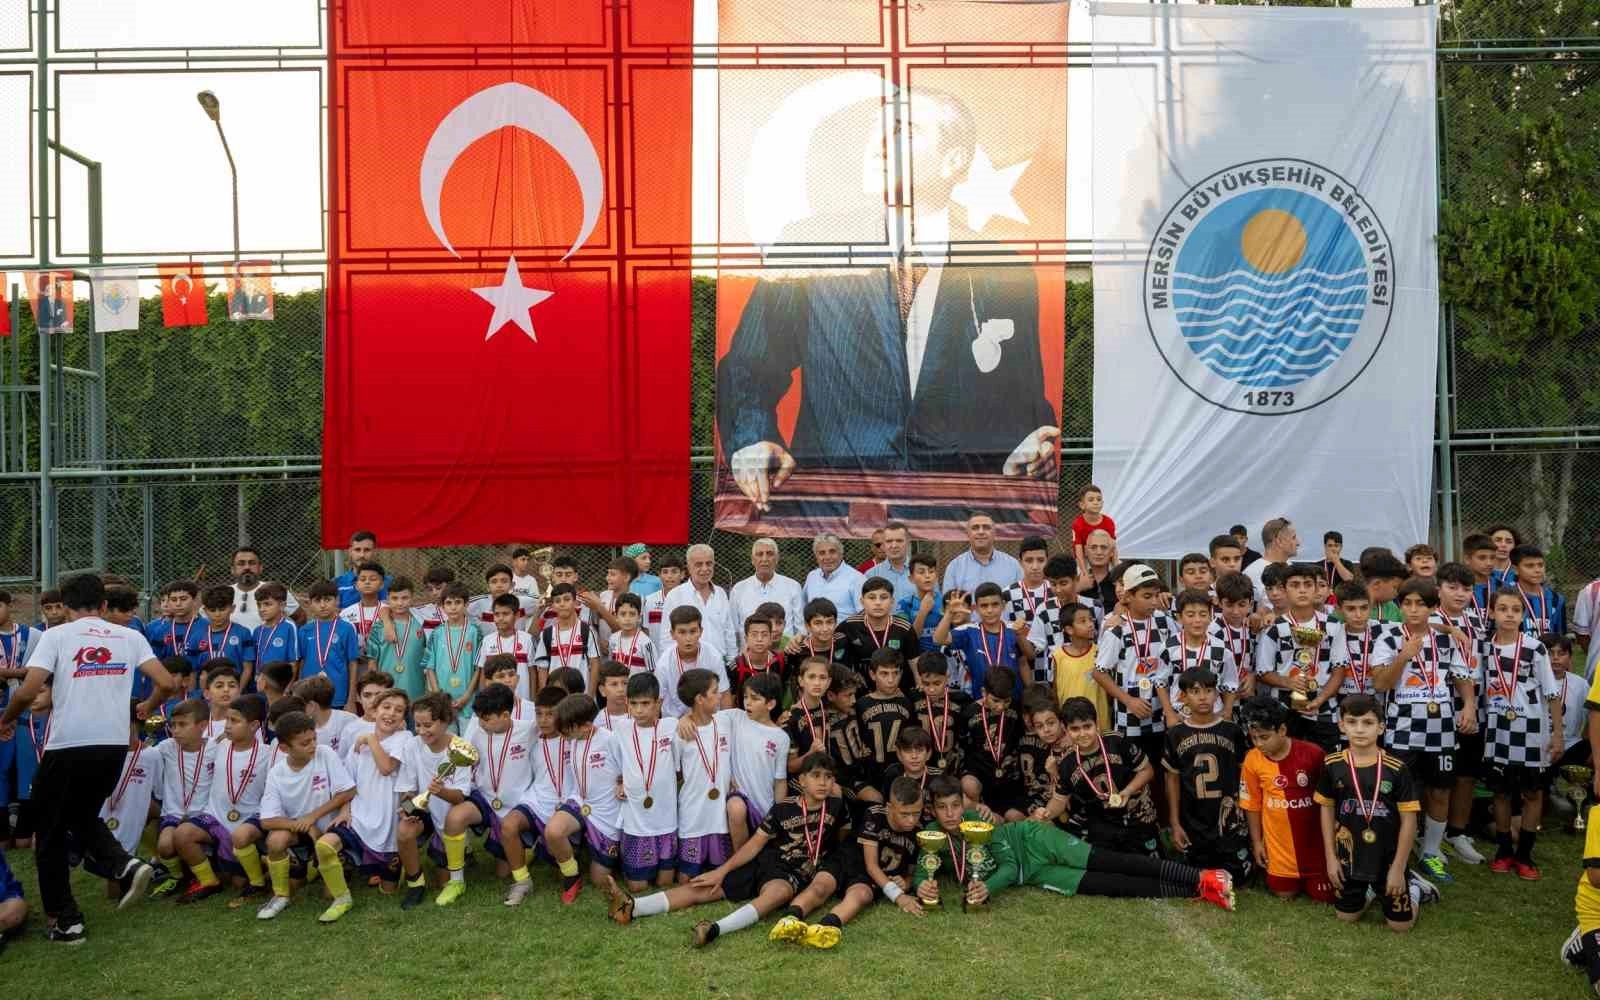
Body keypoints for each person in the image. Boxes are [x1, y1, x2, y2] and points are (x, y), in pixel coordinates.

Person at [717, 88, 1058, 519]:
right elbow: (748, 366)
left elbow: (1021, 401)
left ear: (953, 161)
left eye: (903, 131)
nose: (877, 144)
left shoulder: (1003, 269)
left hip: (958, 514)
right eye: (874, 130)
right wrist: (750, 439)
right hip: (834, 511)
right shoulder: (811, 244)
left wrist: (1025, 449)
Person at [0, 573, 174, 943]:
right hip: (113, 746)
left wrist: (7, 719)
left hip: (69, 744)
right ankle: (123, 864)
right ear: (105, 605)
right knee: (79, 816)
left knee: (49, 830)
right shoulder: (129, 636)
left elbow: (28, 690)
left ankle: (66, 921)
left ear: (64, 606)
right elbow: (168, 683)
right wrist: (147, 706)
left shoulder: (57, 635)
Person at [603, 751, 847, 950]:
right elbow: (755, 844)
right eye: (816, 776)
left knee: (778, 893)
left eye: (828, 777)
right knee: (709, 886)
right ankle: (633, 906)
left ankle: (714, 929)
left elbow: (841, 841)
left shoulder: (837, 807)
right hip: (770, 863)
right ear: (802, 780)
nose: (823, 782)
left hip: (794, 875)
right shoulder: (783, 808)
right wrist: (722, 871)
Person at [913, 775, 1234, 909]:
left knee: (1109, 862)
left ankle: (1202, 875)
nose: (950, 814)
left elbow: (1008, 866)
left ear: (964, 804)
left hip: (1034, 840)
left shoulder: (977, 822)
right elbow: (921, 871)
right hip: (1033, 873)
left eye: (955, 805)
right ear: (932, 810)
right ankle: (1198, 891)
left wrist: (987, 888)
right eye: (942, 808)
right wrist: (921, 887)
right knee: (1108, 885)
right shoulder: (932, 835)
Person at [1372, 578, 1475, 885]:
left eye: (1421, 604)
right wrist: (1403, 656)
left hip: (1441, 728)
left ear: (1432, 608)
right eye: (1407, 603)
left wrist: (1469, 705)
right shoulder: (1389, 636)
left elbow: (1461, 677)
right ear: (1400, 606)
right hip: (1401, 729)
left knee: (1441, 790)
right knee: (1398, 792)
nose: (1414, 610)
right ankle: (1395, 851)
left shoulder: (1446, 639)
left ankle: (1430, 851)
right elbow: (1380, 684)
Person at [772, 774, 925, 949]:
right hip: (848, 859)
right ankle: (790, 919)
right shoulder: (875, 815)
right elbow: (871, 865)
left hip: (868, 879)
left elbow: (911, 872)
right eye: (905, 814)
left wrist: (905, 883)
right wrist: (898, 896)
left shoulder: (919, 832)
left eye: (916, 813)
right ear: (889, 807)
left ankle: (825, 927)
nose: (911, 820)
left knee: (861, 896)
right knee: (820, 886)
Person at [1316, 694, 1424, 933]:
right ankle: (1370, 890)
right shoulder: (1332, 764)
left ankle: (1415, 888)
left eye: (1367, 722)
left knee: (1400, 926)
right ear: (1341, 725)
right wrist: (1331, 858)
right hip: (1349, 856)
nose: (1359, 729)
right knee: (1345, 917)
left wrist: (1398, 868)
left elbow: (1409, 821)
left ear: (1381, 727)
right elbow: (1326, 810)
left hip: (1387, 857)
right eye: (1352, 722)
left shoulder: (1397, 769)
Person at [1480, 590, 1561, 879]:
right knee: (1501, 793)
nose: (1509, 614)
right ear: (1492, 613)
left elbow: (1551, 693)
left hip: (1531, 732)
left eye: (1515, 609)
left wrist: (1558, 735)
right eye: (1503, 608)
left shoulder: (1534, 648)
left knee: (1532, 793)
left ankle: (1525, 855)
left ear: (1523, 615)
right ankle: (1504, 851)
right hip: (1497, 732)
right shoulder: (1484, 648)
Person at [253, 710, 358, 921]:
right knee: (275, 840)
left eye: (314, 739)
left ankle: (340, 891)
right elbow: (267, 820)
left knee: (328, 894)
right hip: (303, 831)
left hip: (331, 829)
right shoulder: (277, 773)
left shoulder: (325, 753)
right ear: (284, 748)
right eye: (304, 743)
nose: (312, 745)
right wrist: (306, 824)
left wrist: (313, 816)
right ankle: (281, 896)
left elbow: (348, 791)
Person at [447, 683, 540, 906]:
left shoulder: (529, 730)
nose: (480, 723)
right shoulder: (477, 732)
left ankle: (522, 878)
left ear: (506, 715)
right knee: (455, 817)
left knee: (502, 871)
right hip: (486, 799)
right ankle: (456, 880)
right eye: (479, 718)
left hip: (516, 804)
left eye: (486, 719)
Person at [1237, 696, 1332, 902]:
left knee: (1324, 896)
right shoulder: (1252, 759)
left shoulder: (1314, 754)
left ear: (1282, 730)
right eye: (1254, 738)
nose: (1259, 744)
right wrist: (1257, 842)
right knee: (1284, 894)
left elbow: (1329, 800)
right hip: (1280, 852)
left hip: (1315, 848)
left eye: (1264, 737)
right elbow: (1252, 805)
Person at [1164, 669, 1253, 882]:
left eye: (1209, 691)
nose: (1203, 697)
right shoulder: (1175, 734)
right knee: (1194, 878)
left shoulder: (1232, 731)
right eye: (1195, 691)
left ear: (1217, 695)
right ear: (1183, 697)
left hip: (1228, 819)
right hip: (1193, 819)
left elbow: (1246, 776)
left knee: (1239, 878)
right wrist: (1175, 823)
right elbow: (1172, 779)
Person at [1038, 697, 1158, 854]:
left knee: (1151, 865)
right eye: (1075, 729)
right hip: (1103, 825)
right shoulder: (1067, 763)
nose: (1082, 734)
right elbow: (1060, 800)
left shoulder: (1116, 741)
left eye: (1087, 726)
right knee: (1114, 867)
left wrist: (1128, 791)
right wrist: (1046, 813)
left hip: (1138, 816)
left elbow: (1147, 771)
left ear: (1097, 724)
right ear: (1065, 730)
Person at [535, 694, 623, 905]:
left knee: (600, 881)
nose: (562, 732)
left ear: (585, 727)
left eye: (566, 729)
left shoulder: (610, 740)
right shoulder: (573, 739)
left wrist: (623, 783)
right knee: (553, 831)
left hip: (606, 812)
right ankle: (571, 877)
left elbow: (629, 768)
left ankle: (614, 856)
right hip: (580, 801)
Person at [1255, 563, 1350, 752]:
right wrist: (1288, 682)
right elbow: (1262, 672)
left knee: (1326, 761)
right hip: (1283, 705)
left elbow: (1339, 670)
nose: (1302, 590)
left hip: (1324, 704)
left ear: (1316, 589)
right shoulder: (1274, 628)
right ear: (1285, 590)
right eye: (1295, 585)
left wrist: (1320, 699)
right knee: (1285, 760)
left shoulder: (1333, 625)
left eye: (1308, 584)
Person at [1094, 565, 1178, 768]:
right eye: (1147, 596)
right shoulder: (1117, 629)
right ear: (1128, 596)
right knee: (1134, 769)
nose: (1153, 601)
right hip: (1129, 714)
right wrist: (1129, 700)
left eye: (1156, 595)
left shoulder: (1165, 622)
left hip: (1163, 711)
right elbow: (1099, 672)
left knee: (1162, 768)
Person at [394, 692, 468, 909]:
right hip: (425, 812)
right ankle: (415, 883)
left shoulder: (460, 748)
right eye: (417, 725)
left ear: (445, 721)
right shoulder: (412, 746)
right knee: (404, 830)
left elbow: (461, 796)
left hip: (450, 817)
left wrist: (441, 791)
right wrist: (408, 808)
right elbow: (407, 789)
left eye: (428, 725)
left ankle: (461, 854)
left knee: (443, 881)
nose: (422, 731)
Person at [147, 699, 218, 899]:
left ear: (202, 725)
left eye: (182, 724)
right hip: (174, 814)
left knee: (183, 837)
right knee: (165, 846)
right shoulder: (166, 747)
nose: (175, 730)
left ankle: (209, 879)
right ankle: (179, 877)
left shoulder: (216, 747)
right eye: (173, 725)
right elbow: (143, 755)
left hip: (205, 814)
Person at [614, 672, 679, 892]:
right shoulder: (621, 729)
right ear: (627, 703)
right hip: (636, 820)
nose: (639, 710)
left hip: (665, 818)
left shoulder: (671, 726)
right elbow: (615, 762)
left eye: (645, 703)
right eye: (634, 704)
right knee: (637, 886)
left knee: (665, 882)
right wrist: (619, 782)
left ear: (658, 703)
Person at [673, 669, 737, 881]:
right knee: (685, 878)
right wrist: (683, 719)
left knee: (721, 875)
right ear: (700, 699)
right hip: (694, 812)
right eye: (715, 692)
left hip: (719, 815)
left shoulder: (726, 720)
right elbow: (675, 772)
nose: (720, 696)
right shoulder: (681, 733)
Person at [934, 583, 1022, 699]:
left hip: (1013, 698)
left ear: (1003, 605)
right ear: (975, 608)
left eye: (995, 604)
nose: (990, 610)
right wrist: (949, 613)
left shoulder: (1014, 629)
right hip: (981, 700)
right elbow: (938, 639)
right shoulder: (968, 631)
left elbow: (1026, 660)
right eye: (984, 606)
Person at [957, 665, 1021, 820]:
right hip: (979, 773)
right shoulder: (969, 712)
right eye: (995, 700)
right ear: (984, 692)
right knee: (969, 785)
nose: (1001, 707)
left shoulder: (1016, 708)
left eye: (1006, 701)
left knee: (1014, 817)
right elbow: (962, 746)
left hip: (1007, 776)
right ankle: (977, 816)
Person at [662, 544, 739, 667]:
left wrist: (732, 662)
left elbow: (728, 631)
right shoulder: (675, 595)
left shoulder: (720, 594)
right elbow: (666, 636)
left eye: (709, 563)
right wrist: (673, 665)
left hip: (719, 664)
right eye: (698, 564)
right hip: (687, 665)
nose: (705, 568)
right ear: (689, 568)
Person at [837, 577, 919, 686]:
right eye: (872, 597)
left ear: (892, 601)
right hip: (862, 689)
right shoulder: (848, 626)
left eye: (883, 597)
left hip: (898, 688)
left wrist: (920, 689)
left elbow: (914, 663)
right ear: (862, 601)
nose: (878, 603)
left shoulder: (904, 628)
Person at [654, 606, 732, 720]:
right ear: (672, 634)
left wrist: (725, 725)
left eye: (693, 631)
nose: (688, 638)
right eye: (682, 632)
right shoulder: (664, 664)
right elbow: (657, 701)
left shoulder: (713, 655)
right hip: (676, 722)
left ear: (701, 631)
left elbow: (724, 694)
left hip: (709, 720)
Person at [854, 651, 914, 795]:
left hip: (901, 772)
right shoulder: (861, 704)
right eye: (884, 674)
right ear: (872, 674)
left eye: (895, 673)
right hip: (871, 772)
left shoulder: (907, 702)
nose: (891, 680)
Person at [298, 581, 363, 710]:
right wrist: (299, 694)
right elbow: (302, 662)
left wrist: (351, 699)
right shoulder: (305, 630)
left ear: (337, 600)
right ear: (310, 603)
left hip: (338, 693)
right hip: (309, 694)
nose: (322, 605)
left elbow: (353, 663)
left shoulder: (347, 628)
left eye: (327, 600)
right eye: (317, 601)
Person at [730, 538, 805, 648]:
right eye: (760, 554)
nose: (764, 559)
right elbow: (733, 629)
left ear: (777, 558)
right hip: (749, 655)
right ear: (752, 560)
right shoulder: (738, 589)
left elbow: (801, 628)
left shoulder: (793, 587)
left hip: (784, 654)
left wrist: (795, 645)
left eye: (769, 554)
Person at [422, 582, 478, 726]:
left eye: (458, 602)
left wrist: (466, 696)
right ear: (442, 606)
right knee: (446, 737)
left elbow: (479, 668)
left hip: (468, 701)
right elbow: (430, 667)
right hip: (443, 701)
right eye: (449, 603)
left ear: (466, 604)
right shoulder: (437, 633)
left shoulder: (474, 632)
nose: (453, 607)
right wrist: (439, 696)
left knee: (467, 739)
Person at [367, 576, 426, 703]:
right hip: (386, 692)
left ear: (412, 598)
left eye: (405, 598)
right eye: (395, 598)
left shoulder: (422, 624)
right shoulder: (378, 627)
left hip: (416, 691)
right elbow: (372, 663)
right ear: (388, 599)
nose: (400, 603)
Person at [1002, 537, 1051, 679]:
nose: (1035, 566)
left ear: (1047, 560)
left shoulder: (1056, 590)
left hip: (1053, 669)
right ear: (1020, 562)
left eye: (1040, 560)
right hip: (1022, 671)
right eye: (1029, 560)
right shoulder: (1007, 594)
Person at [942, 512, 1023, 595]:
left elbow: (1022, 597)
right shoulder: (954, 568)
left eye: (986, 527)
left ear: (994, 533)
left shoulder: (1013, 566)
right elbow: (948, 601)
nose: (981, 532)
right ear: (968, 533)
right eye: (975, 528)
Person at [227, 547, 303, 632]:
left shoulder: (276, 590)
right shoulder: (224, 593)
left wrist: (286, 636)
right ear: (232, 569)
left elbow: (300, 617)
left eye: (252, 563)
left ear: (260, 568)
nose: (247, 567)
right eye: (241, 564)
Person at [477, 593, 536, 700]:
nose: (500, 618)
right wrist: (483, 699)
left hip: (522, 699)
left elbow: (532, 673)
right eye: (497, 614)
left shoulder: (527, 639)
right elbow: (483, 674)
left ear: (517, 615)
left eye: (505, 614)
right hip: (495, 702)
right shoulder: (487, 641)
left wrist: (532, 701)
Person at [198, 586, 255, 692]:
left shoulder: (243, 633)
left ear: (232, 608)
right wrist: (204, 693)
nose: (217, 614)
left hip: (235, 691)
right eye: (212, 610)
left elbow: (248, 668)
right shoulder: (198, 634)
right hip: (207, 692)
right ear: (205, 610)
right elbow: (194, 671)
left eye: (222, 609)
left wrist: (238, 691)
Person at [802, 534, 866, 619]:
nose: (827, 557)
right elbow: (804, 606)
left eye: (832, 552)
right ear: (816, 556)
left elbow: (864, 614)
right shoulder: (812, 576)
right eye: (822, 553)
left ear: (841, 554)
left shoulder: (857, 579)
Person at [1509, 544, 1566, 636]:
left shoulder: (1556, 599)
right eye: (1530, 566)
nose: (1537, 570)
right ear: (1515, 569)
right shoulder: (1506, 597)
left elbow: (1560, 634)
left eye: (1540, 565)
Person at [1242, 518, 1299, 604]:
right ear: (1279, 541)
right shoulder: (1251, 574)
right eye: (1293, 538)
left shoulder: (1291, 567)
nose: (1298, 542)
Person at [333, 531, 388, 609]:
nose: (362, 555)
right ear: (350, 552)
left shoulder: (389, 583)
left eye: (367, 550)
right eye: (357, 550)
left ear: (375, 552)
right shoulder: (336, 584)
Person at [643, 553, 687, 650]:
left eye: (674, 572)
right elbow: (646, 630)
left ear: (682, 574)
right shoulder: (650, 600)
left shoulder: (689, 599)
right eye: (665, 572)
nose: (669, 576)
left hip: (682, 653)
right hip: (656, 654)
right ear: (659, 575)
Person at [1070, 487, 1117, 575]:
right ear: (1082, 505)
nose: (1096, 502)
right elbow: (1078, 551)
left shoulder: (1109, 522)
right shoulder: (1077, 524)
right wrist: (1084, 572)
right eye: (1091, 500)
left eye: (1099, 499)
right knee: (1079, 576)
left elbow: (1113, 547)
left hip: (1104, 557)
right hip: (1085, 559)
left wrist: (1116, 568)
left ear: (1102, 503)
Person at [1078, 530, 1117, 611]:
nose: (1099, 552)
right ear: (1085, 551)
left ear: (1112, 552)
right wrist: (1077, 589)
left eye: (1104, 547)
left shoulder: (1120, 580)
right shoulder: (1076, 580)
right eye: (1093, 547)